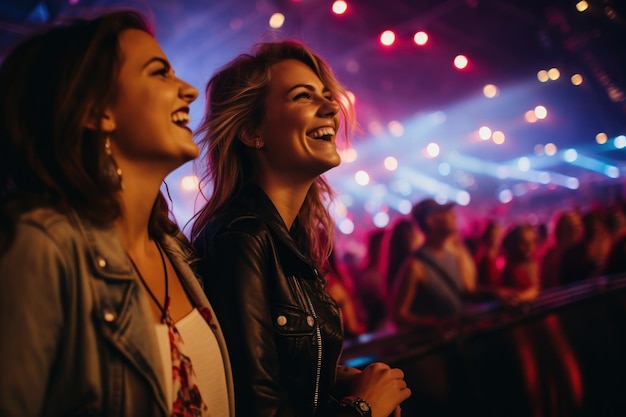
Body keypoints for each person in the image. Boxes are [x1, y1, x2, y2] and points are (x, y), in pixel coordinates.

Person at [0, 10, 234, 417]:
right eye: (160, 72)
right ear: (96, 111)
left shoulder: (175, 250)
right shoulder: (42, 245)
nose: (189, 91)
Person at [191, 40, 411, 417]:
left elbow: (280, 369)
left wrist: (340, 379)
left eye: (327, 96)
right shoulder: (241, 238)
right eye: (303, 97)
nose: (331, 108)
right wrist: (364, 407)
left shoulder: (285, 237)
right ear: (252, 132)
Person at [389, 199, 467, 329]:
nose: (453, 215)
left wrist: (494, 293)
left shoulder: (449, 255)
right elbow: (399, 315)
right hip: (438, 346)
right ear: (431, 221)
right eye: (445, 212)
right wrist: (434, 323)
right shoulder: (415, 266)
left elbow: (461, 293)